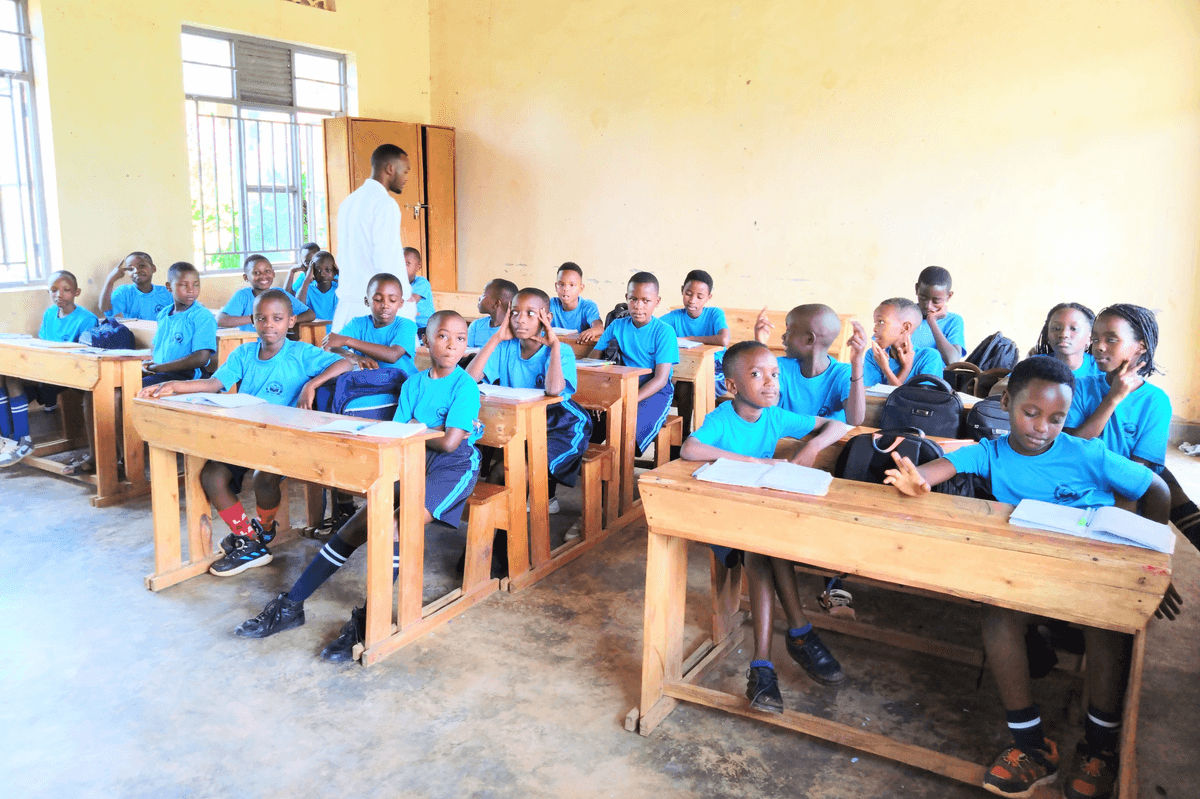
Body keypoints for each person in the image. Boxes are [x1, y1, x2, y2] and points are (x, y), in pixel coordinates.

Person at [883, 356, 1178, 799]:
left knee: (1107, 627)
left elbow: (1156, 490)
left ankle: (1099, 749)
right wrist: (916, 481)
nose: (1043, 426)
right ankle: (1032, 746)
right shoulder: (991, 452)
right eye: (1031, 413)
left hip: (1088, 575)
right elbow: (940, 470)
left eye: (1057, 417)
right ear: (1006, 403)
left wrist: (1151, 562)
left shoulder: (1086, 453)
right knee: (997, 618)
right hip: (1026, 577)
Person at [232, 311, 482, 663]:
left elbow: (451, 443)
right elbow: (398, 434)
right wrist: (418, 429)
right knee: (353, 529)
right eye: (442, 336)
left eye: (460, 338)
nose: (451, 345)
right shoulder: (413, 383)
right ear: (425, 341)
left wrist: (417, 426)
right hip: (411, 459)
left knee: (394, 527)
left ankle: (368, 620)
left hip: (451, 470)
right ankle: (291, 604)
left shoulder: (464, 386)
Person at [680, 341, 852, 712]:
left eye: (775, 374)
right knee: (762, 545)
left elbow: (840, 423)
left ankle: (763, 665)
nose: (771, 382)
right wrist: (755, 462)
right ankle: (799, 634)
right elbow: (690, 450)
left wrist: (812, 447)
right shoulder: (723, 417)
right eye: (757, 375)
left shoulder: (776, 417)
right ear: (732, 386)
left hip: (758, 521)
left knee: (764, 546)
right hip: (721, 520)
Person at [138, 290, 351, 577]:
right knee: (212, 475)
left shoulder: (300, 353)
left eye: (277, 319)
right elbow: (215, 384)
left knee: (264, 476)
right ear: (252, 321)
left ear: (290, 322)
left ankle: (262, 530)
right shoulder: (243, 353)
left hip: (283, 440)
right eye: (261, 319)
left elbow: (345, 364)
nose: (269, 325)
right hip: (247, 436)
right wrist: (174, 386)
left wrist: (312, 384)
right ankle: (249, 540)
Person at [1062, 304, 1200, 549]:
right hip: (1076, 479)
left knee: (1162, 491)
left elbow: (1138, 469)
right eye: (1095, 339)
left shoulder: (1155, 401)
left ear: (1141, 346)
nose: (1099, 347)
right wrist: (1112, 399)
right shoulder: (1081, 387)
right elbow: (1071, 450)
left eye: (1111, 339)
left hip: (1125, 485)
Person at [467, 287, 592, 517]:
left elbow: (554, 390)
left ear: (547, 318)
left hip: (560, 423)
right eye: (514, 312)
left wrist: (553, 346)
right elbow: (469, 379)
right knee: (497, 474)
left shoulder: (561, 351)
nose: (520, 320)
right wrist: (495, 338)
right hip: (522, 421)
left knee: (519, 471)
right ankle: (496, 543)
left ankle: (512, 539)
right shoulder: (505, 347)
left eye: (530, 313)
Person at [0, 271, 98, 467]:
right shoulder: (49, 314)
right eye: (53, 290)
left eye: (65, 290)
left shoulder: (87, 318)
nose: (59, 294)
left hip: (70, 373)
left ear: (76, 292)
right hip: (46, 367)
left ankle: (23, 439)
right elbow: (43, 343)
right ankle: (7, 438)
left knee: (13, 380)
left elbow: (86, 355)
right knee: (5, 373)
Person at [591, 272, 679, 456]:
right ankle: (601, 472)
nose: (638, 306)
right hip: (622, 384)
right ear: (626, 298)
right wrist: (597, 396)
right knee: (590, 424)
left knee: (628, 431)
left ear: (657, 301)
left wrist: (628, 401)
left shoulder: (664, 332)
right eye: (633, 299)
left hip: (654, 390)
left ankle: (620, 475)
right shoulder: (616, 326)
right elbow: (593, 360)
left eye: (646, 301)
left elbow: (661, 379)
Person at [332, 144, 415, 331]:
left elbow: (341, 255)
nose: (406, 178)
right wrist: (403, 294)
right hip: (374, 310)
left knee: (347, 359)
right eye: (405, 171)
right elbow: (386, 257)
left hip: (348, 304)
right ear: (390, 169)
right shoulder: (385, 204)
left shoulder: (349, 201)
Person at [755, 303, 868, 425]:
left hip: (829, 442)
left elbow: (855, 420)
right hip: (784, 442)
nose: (783, 336)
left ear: (809, 339)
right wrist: (759, 346)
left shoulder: (844, 373)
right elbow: (764, 411)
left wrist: (856, 363)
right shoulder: (780, 367)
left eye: (788, 331)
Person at [660, 269, 731, 398]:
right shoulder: (675, 316)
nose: (692, 300)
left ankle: (700, 417)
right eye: (688, 293)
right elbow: (653, 330)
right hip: (687, 366)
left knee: (698, 387)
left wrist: (689, 339)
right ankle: (685, 419)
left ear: (709, 297)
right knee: (680, 383)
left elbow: (724, 339)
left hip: (716, 367)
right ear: (682, 290)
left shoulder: (715, 314)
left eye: (699, 297)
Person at [143, 262, 216, 385]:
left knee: (131, 390)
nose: (191, 290)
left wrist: (158, 368)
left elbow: (201, 358)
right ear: (169, 287)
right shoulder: (163, 314)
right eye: (183, 285)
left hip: (186, 376)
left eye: (196, 285)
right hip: (161, 372)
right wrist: (148, 365)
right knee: (122, 383)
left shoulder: (202, 316)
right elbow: (158, 348)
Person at [863, 297, 945, 389]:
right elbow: (872, 398)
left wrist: (886, 370)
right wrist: (905, 369)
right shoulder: (873, 356)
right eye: (875, 322)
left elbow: (923, 401)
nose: (874, 329)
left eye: (881, 322)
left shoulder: (929, 357)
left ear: (905, 327)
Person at [217, 254, 313, 331]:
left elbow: (310, 314)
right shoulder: (243, 296)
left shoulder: (280, 294)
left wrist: (287, 322)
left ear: (273, 273)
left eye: (267, 271)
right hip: (249, 345)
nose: (263, 276)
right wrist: (255, 318)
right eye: (256, 273)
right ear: (246, 277)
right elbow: (221, 321)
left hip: (276, 346)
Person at [910, 265, 966, 364]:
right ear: (916, 289)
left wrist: (932, 322)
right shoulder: (901, 315)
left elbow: (952, 361)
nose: (928, 306)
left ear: (949, 296)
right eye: (923, 298)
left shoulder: (953, 321)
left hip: (934, 379)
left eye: (936, 301)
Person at [1033, 302, 1101, 379]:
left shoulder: (1102, 369)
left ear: (1091, 337)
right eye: (1056, 328)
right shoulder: (1033, 367)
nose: (1063, 334)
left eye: (1073, 329)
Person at [98, 251, 172, 320]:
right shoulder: (125, 292)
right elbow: (105, 309)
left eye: (141, 266)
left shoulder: (167, 293)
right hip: (136, 334)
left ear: (153, 268)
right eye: (130, 269)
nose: (136, 271)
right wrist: (110, 280)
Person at [549, 262, 603, 345]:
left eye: (572, 285)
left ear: (581, 288)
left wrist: (592, 331)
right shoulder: (551, 304)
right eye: (561, 284)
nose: (566, 289)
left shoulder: (587, 306)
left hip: (580, 350)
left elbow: (599, 328)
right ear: (556, 286)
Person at [295, 250, 339, 333]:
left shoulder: (338, 289)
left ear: (334, 271)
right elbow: (298, 309)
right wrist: (307, 280)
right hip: (314, 335)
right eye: (318, 270)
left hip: (337, 336)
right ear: (312, 272)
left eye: (328, 270)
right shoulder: (306, 290)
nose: (323, 274)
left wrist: (340, 274)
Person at [466, 279, 519, 348]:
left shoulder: (514, 331)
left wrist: (477, 351)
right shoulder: (476, 325)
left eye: (483, 295)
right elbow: (464, 353)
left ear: (496, 304)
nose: (479, 298)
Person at [403, 247, 436, 334]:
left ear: (418, 267)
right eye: (400, 263)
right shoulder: (395, 284)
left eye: (407, 263)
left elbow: (410, 302)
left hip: (426, 327)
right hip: (408, 326)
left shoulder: (422, 282)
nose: (402, 267)